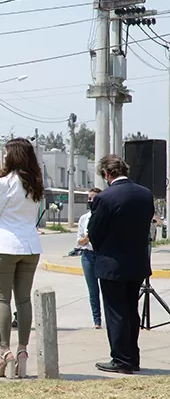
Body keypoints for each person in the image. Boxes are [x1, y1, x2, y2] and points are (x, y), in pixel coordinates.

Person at [88, 154, 154, 374]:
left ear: (107, 174)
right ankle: (132, 357)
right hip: (137, 262)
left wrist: (102, 252)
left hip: (112, 263)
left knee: (116, 312)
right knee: (131, 311)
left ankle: (121, 359)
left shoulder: (105, 198)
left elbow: (95, 232)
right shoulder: (145, 194)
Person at [0, 138, 44, 379]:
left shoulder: (3, 183)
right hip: (30, 246)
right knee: (24, 300)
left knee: (2, 299)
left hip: (5, 245)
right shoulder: (36, 184)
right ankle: (23, 350)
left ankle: (4, 352)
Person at [77, 187, 103, 329]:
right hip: (87, 255)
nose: (90, 201)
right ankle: (97, 321)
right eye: (89, 198)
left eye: (93, 198)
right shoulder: (84, 218)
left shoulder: (105, 216)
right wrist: (89, 236)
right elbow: (80, 241)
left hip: (102, 255)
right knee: (93, 290)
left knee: (107, 289)